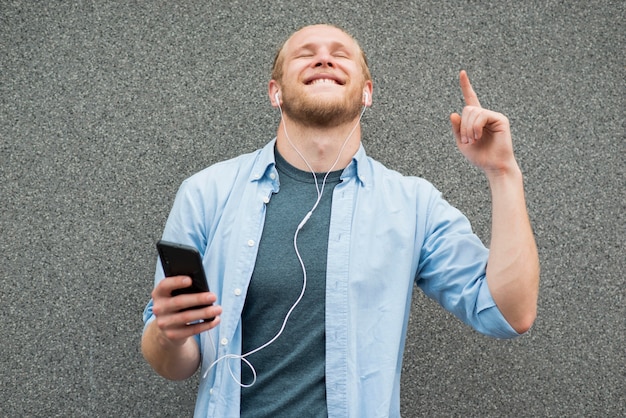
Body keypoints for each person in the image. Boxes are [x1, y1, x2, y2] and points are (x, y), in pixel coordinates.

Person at [142, 24, 539, 418]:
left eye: (340, 52)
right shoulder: (206, 193)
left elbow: (508, 313)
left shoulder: (413, 204)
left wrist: (503, 172)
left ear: (367, 92)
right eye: (305, 52)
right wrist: (167, 333)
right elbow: (174, 363)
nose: (323, 57)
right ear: (274, 92)